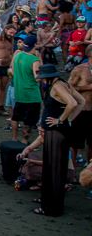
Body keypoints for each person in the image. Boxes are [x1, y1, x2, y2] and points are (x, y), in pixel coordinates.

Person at [30, 64, 84, 217]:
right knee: (54, 168)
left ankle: (50, 207)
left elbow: (73, 103)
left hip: (56, 132)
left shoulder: (57, 86)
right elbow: (81, 102)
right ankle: (48, 201)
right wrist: (69, 120)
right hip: (59, 131)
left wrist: (60, 120)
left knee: (53, 169)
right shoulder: (63, 83)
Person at [10, 35, 41, 143]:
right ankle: (24, 140)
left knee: (16, 117)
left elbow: (12, 72)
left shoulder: (18, 55)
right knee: (29, 121)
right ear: (35, 45)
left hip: (19, 91)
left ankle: (14, 138)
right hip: (31, 94)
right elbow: (37, 78)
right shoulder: (34, 60)